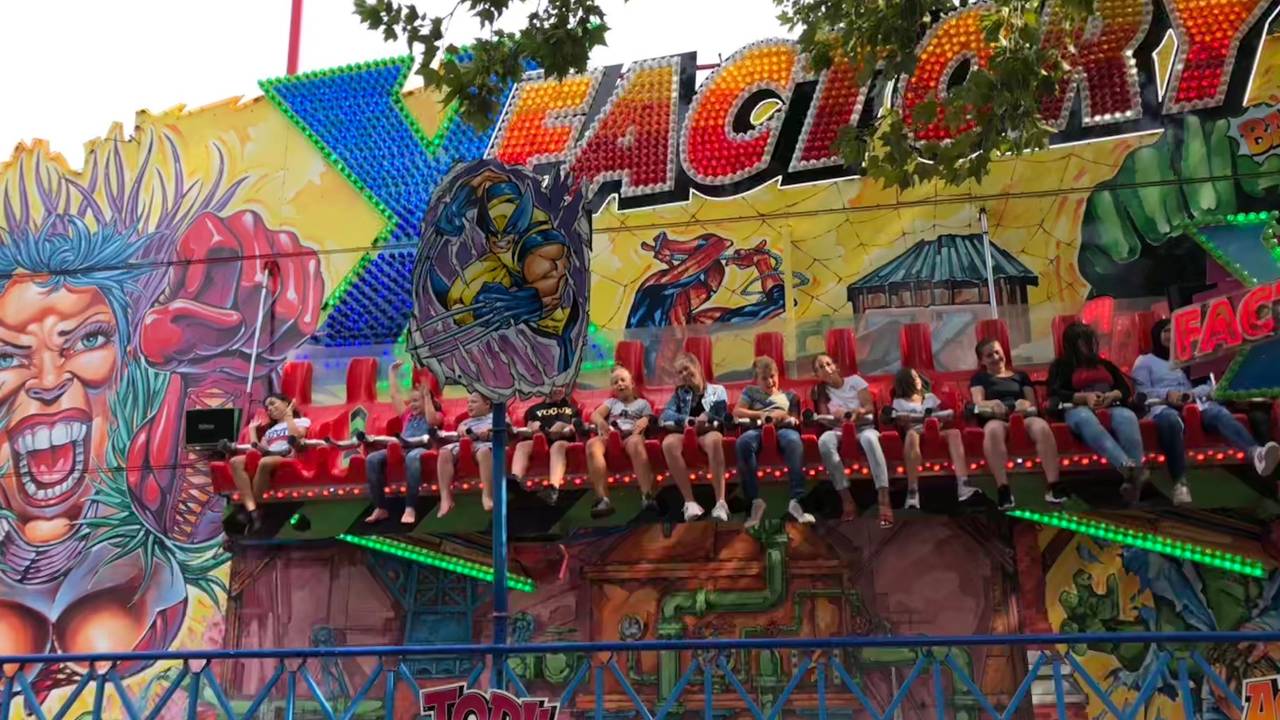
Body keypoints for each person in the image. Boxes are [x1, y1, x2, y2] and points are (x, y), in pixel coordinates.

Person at [1132, 318, 1280, 504]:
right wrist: (1168, 394)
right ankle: (1180, 483)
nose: (1170, 335)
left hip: (1194, 403)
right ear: (1157, 335)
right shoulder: (1145, 361)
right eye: (1166, 331)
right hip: (1161, 406)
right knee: (1170, 419)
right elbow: (1142, 392)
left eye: (1174, 331)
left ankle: (1255, 453)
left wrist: (1193, 394)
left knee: (1217, 413)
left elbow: (1211, 385)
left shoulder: (1190, 358)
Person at [1047, 321, 1147, 500]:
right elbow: (1055, 392)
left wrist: (1112, 395)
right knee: (1086, 419)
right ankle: (1129, 470)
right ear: (1072, 344)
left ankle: (1133, 479)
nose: (1088, 345)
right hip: (1077, 409)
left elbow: (1124, 389)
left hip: (1111, 406)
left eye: (1090, 340)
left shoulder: (1105, 364)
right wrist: (1084, 397)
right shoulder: (1061, 366)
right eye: (1083, 341)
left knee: (1127, 416)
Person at [970, 339, 1062, 507]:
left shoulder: (1020, 376)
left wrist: (1023, 405)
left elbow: (1031, 402)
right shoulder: (979, 378)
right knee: (993, 431)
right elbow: (978, 401)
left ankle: (1054, 486)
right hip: (996, 417)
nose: (996, 357)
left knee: (1042, 428)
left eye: (998, 352)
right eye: (990, 355)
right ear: (982, 361)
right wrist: (992, 404)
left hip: (1023, 416)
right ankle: (1003, 488)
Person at [735, 356, 815, 528]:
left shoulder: (790, 396)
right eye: (764, 378)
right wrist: (761, 415)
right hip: (756, 429)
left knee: (794, 442)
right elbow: (738, 411)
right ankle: (754, 501)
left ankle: (797, 500)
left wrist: (781, 416)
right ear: (757, 379)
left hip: (783, 429)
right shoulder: (750, 392)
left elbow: (793, 418)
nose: (770, 381)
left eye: (772, 376)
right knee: (743, 443)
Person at [810, 354, 890, 524]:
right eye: (821, 368)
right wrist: (834, 416)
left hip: (863, 427)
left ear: (836, 366)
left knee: (870, 440)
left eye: (828, 364)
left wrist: (857, 412)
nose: (827, 369)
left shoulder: (855, 381)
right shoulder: (821, 392)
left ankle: (884, 497)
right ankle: (846, 499)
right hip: (839, 429)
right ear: (817, 375)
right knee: (824, 441)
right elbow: (825, 417)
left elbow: (869, 407)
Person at [364, 361, 444, 525]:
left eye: (416, 401)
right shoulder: (408, 415)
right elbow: (394, 395)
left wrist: (427, 396)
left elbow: (432, 420)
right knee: (372, 459)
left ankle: (410, 507)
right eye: (411, 401)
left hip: (423, 448)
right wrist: (391, 373)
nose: (412, 404)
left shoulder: (437, 415)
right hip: (403, 448)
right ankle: (380, 507)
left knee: (412, 458)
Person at [891, 368, 975, 512]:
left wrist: (937, 419)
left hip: (934, 430)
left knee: (954, 433)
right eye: (912, 378)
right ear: (905, 383)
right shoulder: (899, 402)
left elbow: (941, 416)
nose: (917, 380)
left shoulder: (930, 397)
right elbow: (901, 423)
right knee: (911, 435)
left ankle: (963, 484)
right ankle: (912, 491)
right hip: (915, 431)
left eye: (917, 377)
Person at [659, 353, 731, 521]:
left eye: (686, 369)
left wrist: (707, 415)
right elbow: (666, 414)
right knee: (668, 444)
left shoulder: (717, 390)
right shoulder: (679, 393)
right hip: (686, 433)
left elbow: (722, 414)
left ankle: (720, 503)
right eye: (680, 372)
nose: (684, 374)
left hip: (707, 431)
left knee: (714, 440)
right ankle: (689, 503)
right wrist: (685, 420)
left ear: (697, 367)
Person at [228, 393, 310, 530]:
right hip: (268, 455)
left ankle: (254, 508)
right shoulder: (270, 431)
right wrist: (252, 429)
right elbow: (258, 448)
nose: (270, 409)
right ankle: (253, 510)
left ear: (285, 403)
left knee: (265, 462)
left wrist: (289, 415)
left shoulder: (301, 421)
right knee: (235, 461)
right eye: (267, 407)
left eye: (273, 403)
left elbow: (296, 435)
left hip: (287, 456)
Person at [584, 366, 654, 518]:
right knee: (592, 445)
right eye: (616, 382)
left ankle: (647, 495)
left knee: (636, 443)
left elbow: (649, 418)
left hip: (632, 435)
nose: (620, 384)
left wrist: (646, 419)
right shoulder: (612, 402)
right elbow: (595, 415)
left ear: (632, 383)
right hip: (612, 436)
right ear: (613, 388)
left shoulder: (642, 403)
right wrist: (601, 422)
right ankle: (603, 498)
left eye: (623, 380)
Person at [512, 386, 581, 505]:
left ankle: (553, 488)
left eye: (561, 387)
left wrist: (563, 427)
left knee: (557, 447)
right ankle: (515, 482)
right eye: (554, 386)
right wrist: (536, 428)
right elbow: (529, 426)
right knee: (522, 446)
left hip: (563, 440)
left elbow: (575, 426)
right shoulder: (534, 409)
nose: (558, 389)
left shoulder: (571, 408)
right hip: (540, 439)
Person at [435, 392, 495, 517]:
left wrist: (489, 434)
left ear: (487, 404)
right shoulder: (465, 422)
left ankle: (487, 495)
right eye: (468, 403)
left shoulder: (498, 417)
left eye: (473, 402)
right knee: (444, 452)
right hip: (466, 444)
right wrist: (461, 430)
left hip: (486, 444)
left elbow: (507, 434)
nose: (469, 405)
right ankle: (445, 498)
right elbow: (459, 432)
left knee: (484, 451)